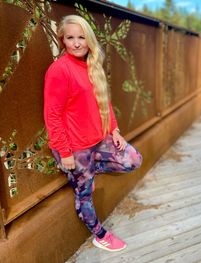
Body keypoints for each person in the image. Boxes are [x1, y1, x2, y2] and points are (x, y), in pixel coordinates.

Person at [44, 15, 142, 252]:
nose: (77, 43)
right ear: (63, 40)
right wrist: (66, 153)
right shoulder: (60, 70)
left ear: (89, 39)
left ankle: (88, 171)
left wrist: (114, 129)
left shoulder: (91, 64)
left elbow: (103, 101)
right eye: (70, 38)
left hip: (98, 141)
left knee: (133, 160)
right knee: (84, 194)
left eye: (81, 37)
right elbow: (52, 115)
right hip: (75, 148)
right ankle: (100, 234)